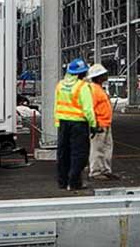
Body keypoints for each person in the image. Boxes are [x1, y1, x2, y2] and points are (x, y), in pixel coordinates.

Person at [54, 58, 97, 190]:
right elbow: (88, 108)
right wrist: (93, 124)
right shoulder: (82, 87)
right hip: (79, 124)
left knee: (63, 153)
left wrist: (57, 123)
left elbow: (57, 105)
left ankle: (62, 181)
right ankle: (74, 182)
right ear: (81, 73)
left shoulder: (60, 85)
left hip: (63, 124)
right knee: (80, 154)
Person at [87, 63, 120, 181]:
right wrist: (93, 124)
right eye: (104, 74)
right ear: (98, 76)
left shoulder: (98, 88)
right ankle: (96, 171)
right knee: (97, 148)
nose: (106, 75)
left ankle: (105, 170)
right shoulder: (93, 90)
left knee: (106, 148)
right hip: (99, 124)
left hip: (105, 123)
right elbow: (90, 108)